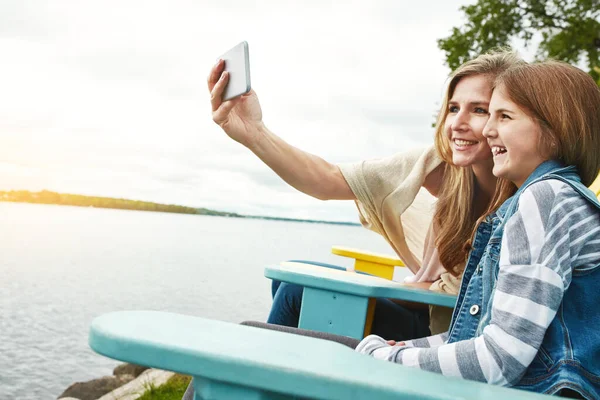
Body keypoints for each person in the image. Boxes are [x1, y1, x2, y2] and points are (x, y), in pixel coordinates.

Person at [207, 50, 521, 340]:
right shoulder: (442, 163)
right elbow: (327, 179)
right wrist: (253, 131)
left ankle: (257, 380)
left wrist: (368, 285)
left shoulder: (527, 200)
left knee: (296, 291)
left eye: (478, 110)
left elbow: (461, 299)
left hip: (443, 335)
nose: (457, 123)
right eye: (453, 108)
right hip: (424, 305)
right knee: (293, 274)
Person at [355, 61, 600, 398]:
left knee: (315, 352)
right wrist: (409, 350)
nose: (487, 131)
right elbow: (477, 336)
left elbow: (500, 360)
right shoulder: (552, 197)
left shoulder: (545, 200)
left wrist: (389, 357)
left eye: (505, 117)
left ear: (555, 128)